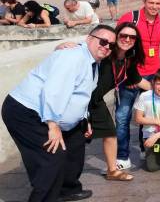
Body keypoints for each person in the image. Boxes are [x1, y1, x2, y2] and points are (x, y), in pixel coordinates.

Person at [2, 25, 116, 202]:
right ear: (89, 38)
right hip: (26, 111)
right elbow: (54, 90)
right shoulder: (73, 57)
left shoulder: (92, 61)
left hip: (48, 113)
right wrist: (53, 125)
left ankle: (66, 189)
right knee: (52, 158)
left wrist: (84, 119)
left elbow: (81, 93)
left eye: (111, 45)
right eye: (103, 41)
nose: (107, 46)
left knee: (75, 143)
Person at [115, 0, 160, 169]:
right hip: (131, 75)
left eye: (158, 3)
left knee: (149, 115)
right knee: (123, 116)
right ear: (144, 1)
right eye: (151, 2)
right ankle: (122, 157)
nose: (154, 6)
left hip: (153, 75)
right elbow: (117, 46)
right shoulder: (130, 18)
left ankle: (144, 147)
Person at [87, 22, 150, 181]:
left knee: (110, 133)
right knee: (75, 138)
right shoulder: (106, 52)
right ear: (116, 36)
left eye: (132, 37)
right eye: (123, 35)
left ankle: (112, 171)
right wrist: (68, 44)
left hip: (96, 101)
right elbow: (90, 45)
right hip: (82, 99)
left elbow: (139, 81)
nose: (127, 39)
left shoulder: (129, 60)